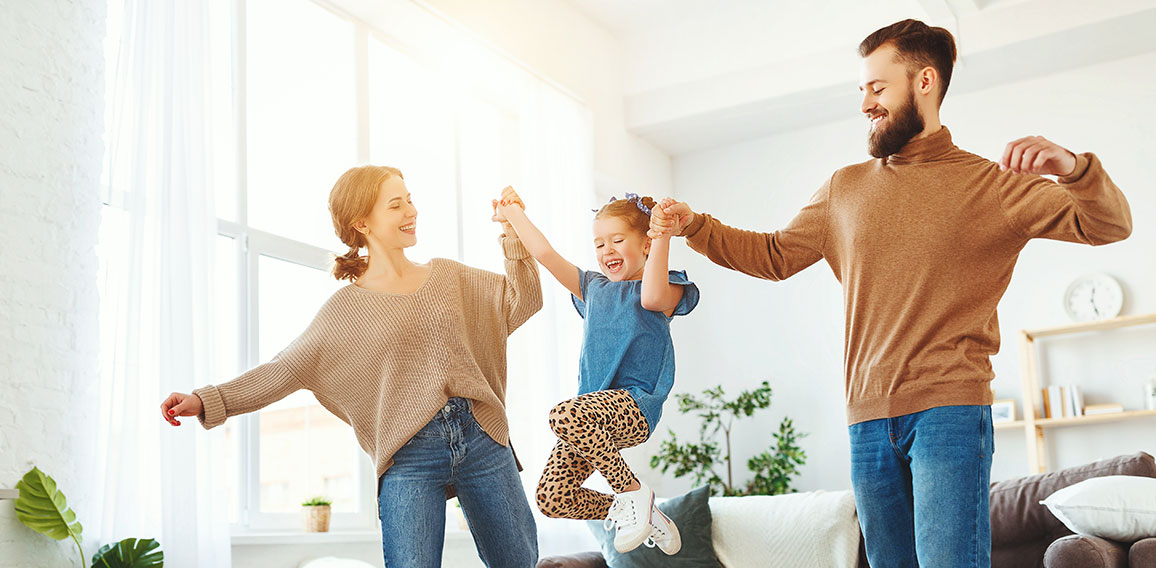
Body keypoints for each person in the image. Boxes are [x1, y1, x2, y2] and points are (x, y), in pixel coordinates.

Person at [648, 19, 1131, 568]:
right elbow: (775, 256)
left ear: (924, 81)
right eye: (862, 91)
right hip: (866, 415)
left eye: (877, 88)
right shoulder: (844, 188)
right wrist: (695, 225)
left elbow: (1109, 225)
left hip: (949, 409)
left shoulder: (992, 186)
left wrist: (1073, 169)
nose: (865, 104)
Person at [160, 166, 543, 568]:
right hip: (410, 454)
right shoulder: (344, 311)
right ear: (362, 223)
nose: (411, 210)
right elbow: (281, 371)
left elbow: (524, 299)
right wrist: (206, 400)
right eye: (396, 204)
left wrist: (513, 236)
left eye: (410, 199)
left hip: (481, 436)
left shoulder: (449, 276)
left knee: (519, 561)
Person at [494, 187, 699, 555]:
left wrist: (663, 233)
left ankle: (632, 492)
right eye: (599, 244)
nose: (607, 251)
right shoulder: (592, 287)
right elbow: (544, 253)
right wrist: (512, 213)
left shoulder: (667, 288)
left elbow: (650, 297)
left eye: (617, 240)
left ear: (646, 244)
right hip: (589, 420)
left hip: (633, 408)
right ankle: (639, 509)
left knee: (562, 414)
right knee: (552, 497)